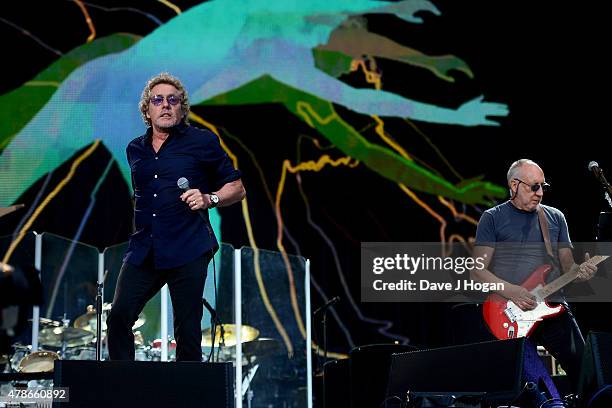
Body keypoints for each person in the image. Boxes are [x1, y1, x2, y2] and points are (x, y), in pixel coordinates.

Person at [107, 72, 245, 361]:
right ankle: (123, 390)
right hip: (145, 249)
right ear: (147, 109)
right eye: (158, 100)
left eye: (173, 100)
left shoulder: (202, 141)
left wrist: (210, 198)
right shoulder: (135, 149)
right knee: (118, 317)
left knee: (188, 334)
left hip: (188, 246)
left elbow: (237, 188)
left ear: (183, 108)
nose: (166, 105)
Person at [471, 159, 596, 389]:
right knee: (533, 387)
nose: (540, 193)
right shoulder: (492, 218)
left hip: (553, 304)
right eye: (534, 186)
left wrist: (581, 273)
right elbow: (477, 270)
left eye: (543, 187)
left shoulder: (555, 217)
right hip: (510, 311)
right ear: (514, 185)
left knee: (587, 376)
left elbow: (569, 268)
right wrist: (514, 291)